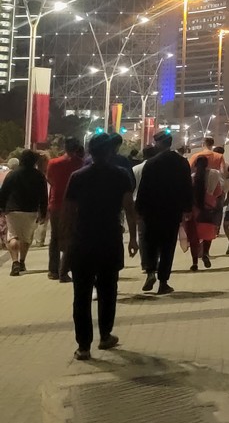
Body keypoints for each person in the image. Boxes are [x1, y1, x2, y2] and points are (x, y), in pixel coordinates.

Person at [64, 134, 138, 359]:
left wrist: (66, 242)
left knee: (82, 294)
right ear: (110, 152)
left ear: (90, 151)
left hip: (83, 240)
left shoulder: (77, 176)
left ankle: (83, 346)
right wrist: (133, 238)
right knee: (108, 290)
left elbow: (68, 213)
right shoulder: (121, 175)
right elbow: (129, 209)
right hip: (110, 238)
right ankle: (105, 335)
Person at [134, 133, 193, 294]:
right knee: (168, 245)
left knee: (150, 242)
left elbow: (144, 189)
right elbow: (187, 186)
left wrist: (139, 209)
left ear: (158, 143)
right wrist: (187, 208)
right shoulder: (181, 162)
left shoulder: (151, 163)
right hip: (172, 210)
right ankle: (163, 282)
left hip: (151, 210)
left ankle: (150, 272)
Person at [1, 150, 49, 276]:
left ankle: (15, 262)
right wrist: (43, 212)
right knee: (26, 238)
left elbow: (4, 192)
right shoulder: (39, 176)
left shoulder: (12, 174)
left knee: (12, 236)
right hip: (30, 210)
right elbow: (44, 196)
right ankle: (22, 261)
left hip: (12, 210)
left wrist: (1, 208)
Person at [46, 138, 85, 282]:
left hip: (56, 203)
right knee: (71, 237)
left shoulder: (53, 163)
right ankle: (66, 269)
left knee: (55, 237)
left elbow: (50, 180)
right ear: (77, 149)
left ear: (64, 147)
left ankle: (53, 270)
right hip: (74, 205)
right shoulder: (80, 163)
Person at [189, 153, 225, 270]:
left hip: (195, 210)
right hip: (209, 208)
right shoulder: (214, 174)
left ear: (195, 165)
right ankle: (205, 253)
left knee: (194, 238)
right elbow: (219, 192)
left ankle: (194, 263)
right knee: (207, 235)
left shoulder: (193, 177)